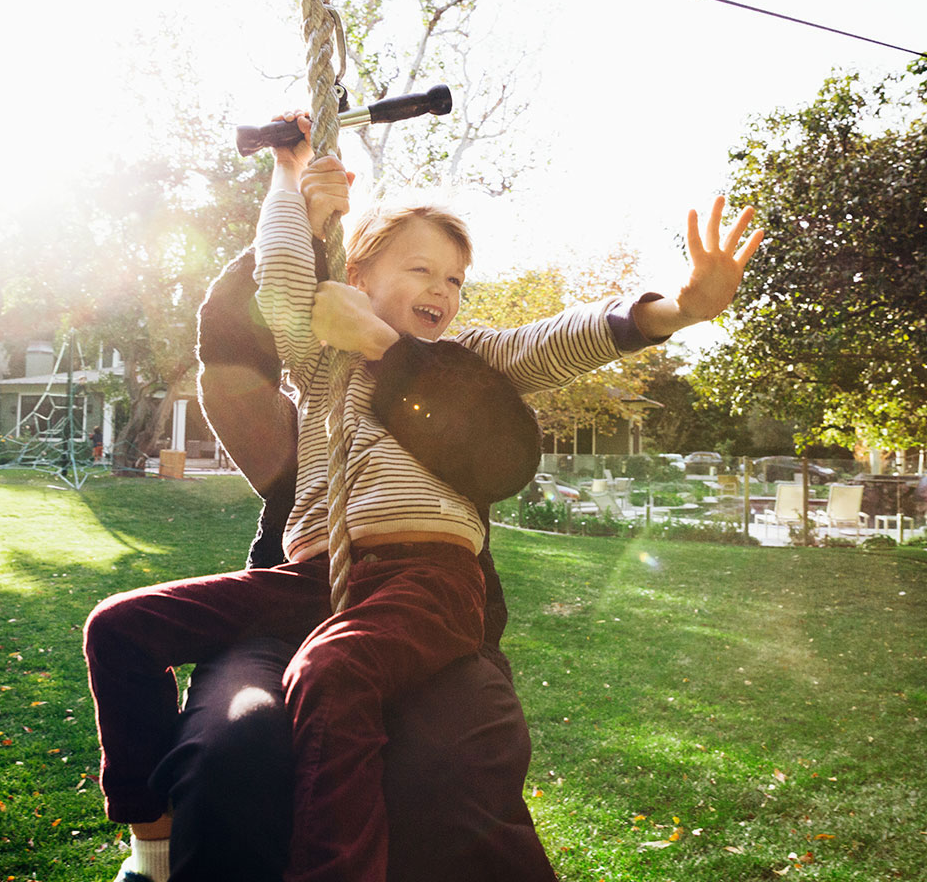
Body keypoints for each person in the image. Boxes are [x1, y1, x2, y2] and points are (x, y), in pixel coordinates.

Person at [84, 114, 762, 882]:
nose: (444, 289)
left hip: (427, 579)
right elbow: (282, 270)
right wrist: (289, 178)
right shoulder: (316, 360)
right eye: (422, 270)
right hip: (309, 580)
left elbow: (562, 338)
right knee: (119, 626)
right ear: (357, 275)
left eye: (456, 280)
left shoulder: (466, 359)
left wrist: (676, 312)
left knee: (332, 673)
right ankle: (154, 850)